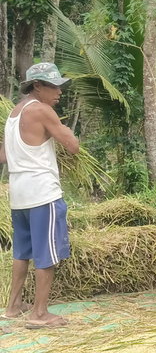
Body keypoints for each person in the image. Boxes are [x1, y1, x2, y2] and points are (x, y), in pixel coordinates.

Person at [0, 63, 79, 328]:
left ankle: (13, 307)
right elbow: (73, 147)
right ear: (37, 86)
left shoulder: (14, 113)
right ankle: (40, 314)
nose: (59, 92)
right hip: (42, 194)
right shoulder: (43, 111)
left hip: (19, 195)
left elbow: (3, 156)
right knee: (47, 254)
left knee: (22, 253)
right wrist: (64, 131)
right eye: (53, 86)